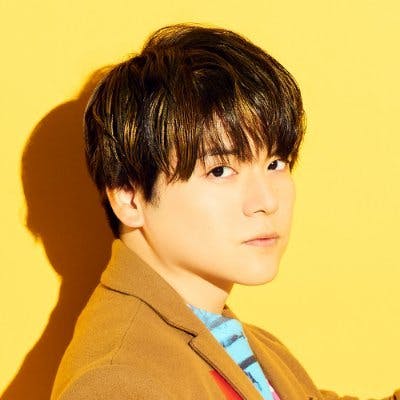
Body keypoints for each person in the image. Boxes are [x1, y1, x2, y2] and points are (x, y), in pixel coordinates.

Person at [50, 24, 399, 400]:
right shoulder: (119, 381)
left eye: (275, 163)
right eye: (220, 171)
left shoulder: (224, 335)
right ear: (129, 198)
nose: (266, 201)